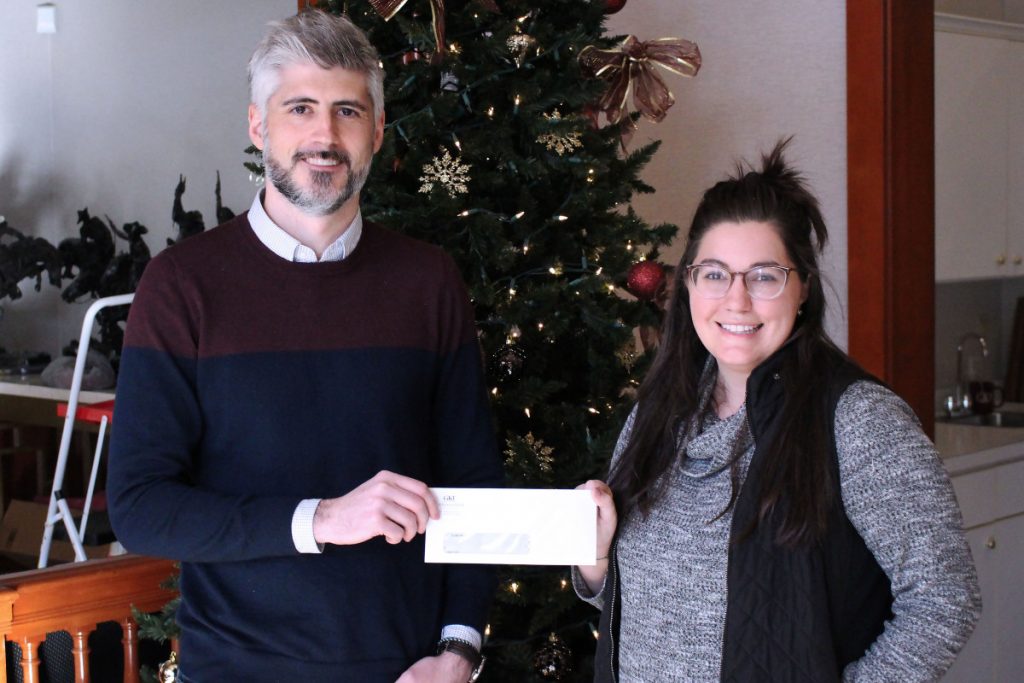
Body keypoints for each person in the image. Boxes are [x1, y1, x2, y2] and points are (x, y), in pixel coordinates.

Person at [108, 10, 502, 682]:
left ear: (377, 131)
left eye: (347, 110)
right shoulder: (181, 285)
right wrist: (319, 519)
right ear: (259, 125)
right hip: (235, 668)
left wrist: (460, 648)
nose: (325, 134)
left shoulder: (429, 281)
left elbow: (473, 481)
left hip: (408, 671)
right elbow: (142, 507)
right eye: (300, 108)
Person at [574, 140, 981, 682]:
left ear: (803, 289)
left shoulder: (860, 421)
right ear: (688, 284)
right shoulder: (659, 412)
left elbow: (945, 600)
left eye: (764, 275)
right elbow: (657, 614)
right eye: (714, 273)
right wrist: (596, 563)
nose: (736, 300)